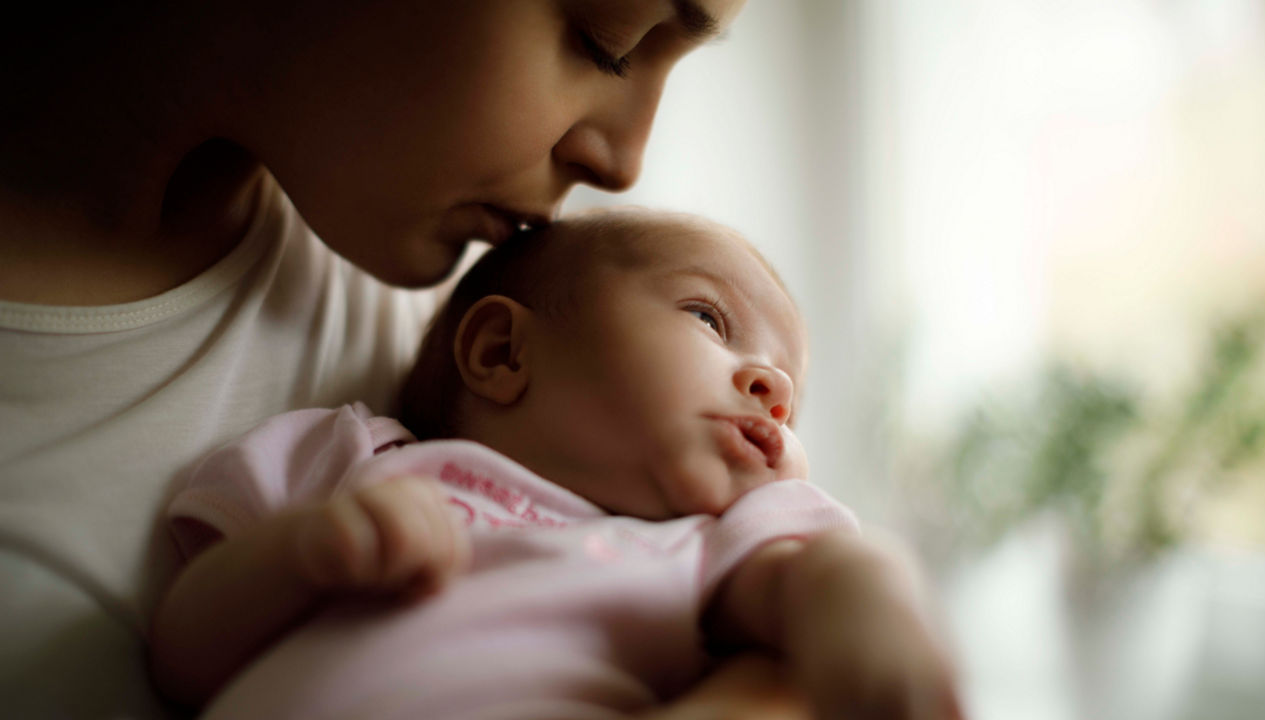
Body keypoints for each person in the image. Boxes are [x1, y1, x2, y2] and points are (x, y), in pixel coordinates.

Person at [0, 2, 829, 718]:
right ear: (497, 352)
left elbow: (834, 626)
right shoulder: (402, 429)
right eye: (606, 36)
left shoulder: (443, 276)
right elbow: (188, 644)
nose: (622, 164)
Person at [152, 209, 965, 720]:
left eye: (791, 391)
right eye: (710, 319)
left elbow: (809, 577)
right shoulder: (362, 458)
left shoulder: (709, 550)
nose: (774, 388)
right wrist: (302, 553)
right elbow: (181, 660)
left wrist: (867, 588)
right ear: (503, 351)